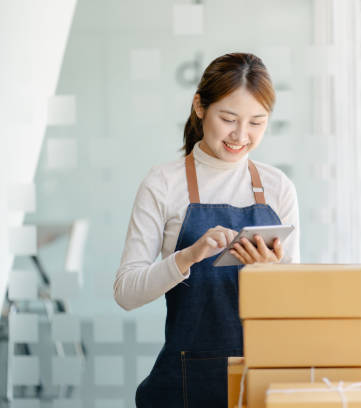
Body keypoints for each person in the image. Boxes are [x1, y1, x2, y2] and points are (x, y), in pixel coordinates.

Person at [113, 53, 300, 407]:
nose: (240, 136)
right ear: (199, 106)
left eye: (256, 122)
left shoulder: (278, 188)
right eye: (228, 119)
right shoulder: (163, 183)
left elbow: (293, 310)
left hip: (261, 380)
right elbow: (125, 292)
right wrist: (188, 257)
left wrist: (269, 274)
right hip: (184, 385)